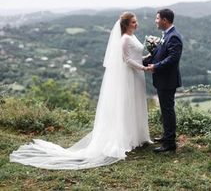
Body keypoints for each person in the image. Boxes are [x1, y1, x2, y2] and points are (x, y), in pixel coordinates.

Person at [10, 12, 152, 170]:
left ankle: (137, 136)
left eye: (136, 21)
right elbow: (127, 60)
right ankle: (126, 138)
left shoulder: (132, 36)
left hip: (136, 74)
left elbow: (136, 56)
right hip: (130, 76)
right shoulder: (125, 38)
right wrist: (144, 68)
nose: (136, 24)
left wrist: (149, 56)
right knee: (127, 105)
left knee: (135, 104)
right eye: (133, 22)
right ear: (125, 25)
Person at [144, 9, 183, 153]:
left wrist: (156, 66)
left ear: (164, 20)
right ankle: (167, 136)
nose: (156, 21)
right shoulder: (166, 35)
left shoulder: (174, 37)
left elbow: (173, 58)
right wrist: (146, 60)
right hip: (163, 79)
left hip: (168, 80)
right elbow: (159, 54)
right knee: (165, 110)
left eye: (157, 18)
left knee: (167, 110)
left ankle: (170, 143)